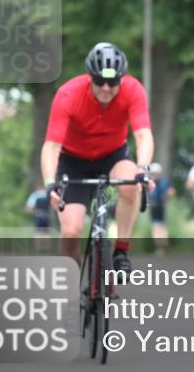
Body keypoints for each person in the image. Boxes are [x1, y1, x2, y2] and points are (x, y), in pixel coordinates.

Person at [42, 42, 154, 273]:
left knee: (132, 184)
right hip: (73, 161)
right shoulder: (68, 94)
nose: (105, 88)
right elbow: (52, 146)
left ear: (121, 79)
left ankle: (121, 250)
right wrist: (49, 183)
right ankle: (77, 277)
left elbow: (143, 135)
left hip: (113, 155)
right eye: (99, 82)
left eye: (112, 83)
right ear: (89, 77)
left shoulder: (133, 90)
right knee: (71, 232)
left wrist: (143, 169)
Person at [148, 163, 174, 255]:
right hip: (162, 205)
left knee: (156, 226)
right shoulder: (165, 181)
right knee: (162, 226)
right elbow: (171, 193)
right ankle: (163, 246)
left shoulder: (149, 181)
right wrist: (167, 200)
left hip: (153, 205)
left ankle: (159, 247)